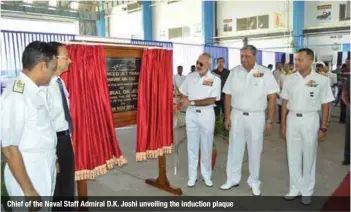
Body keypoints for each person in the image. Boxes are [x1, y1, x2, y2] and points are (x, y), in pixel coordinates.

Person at [1, 41, 58, 211]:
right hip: (28, 172)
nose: (53, 73)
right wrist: (29, 190)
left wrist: (52, 158)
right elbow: (9, 149)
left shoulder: (33, 89)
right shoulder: (16, 95)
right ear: (42, 66)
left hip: (41, 165)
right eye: (52, 69)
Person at [221, 45, 279, 196]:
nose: (243, 59)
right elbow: (227, 95)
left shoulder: (265, 73)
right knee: (234, 148)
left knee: (255, 150)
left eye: (247, 56)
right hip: (237, 115)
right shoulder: (234, 72)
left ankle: (254, 181)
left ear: (255, 56)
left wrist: (270, 120)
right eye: (241, 56)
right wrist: (227, 116)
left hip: (256, 116)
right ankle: (232, 179)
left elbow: (272, 96)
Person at [280, 48, 334, 205]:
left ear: (310, 61)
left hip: (310, 119)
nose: (296, 62)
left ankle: (307, 190)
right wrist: (282, 124)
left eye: (300, 60)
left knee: (309, 155)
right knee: (293, 155)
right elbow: (283, 103)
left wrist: (323, 127)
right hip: (292, 119)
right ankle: (294, 188)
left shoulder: (322, 80)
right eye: (296, 59)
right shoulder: (289, 79)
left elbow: (326, 105)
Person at [179, 53, 221, 187]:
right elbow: (183, 92)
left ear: (209, 64)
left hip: (206, 114)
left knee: (206, 146)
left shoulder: (215, 79)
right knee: (191, 146)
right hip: (191, 115)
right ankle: (192, 177)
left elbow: (211, 99)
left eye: (201, 64)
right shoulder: (190, 77)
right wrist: (183, 99)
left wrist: (190, 102)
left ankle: (206, 175)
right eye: (197, 62)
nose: (198, 66)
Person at [47, 42, 75, 208]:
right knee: (56, 191)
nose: (69, 61)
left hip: (64, 140)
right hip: (54, 143)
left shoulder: (59, 82)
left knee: (67, 188)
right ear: (54, 59)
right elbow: (46, 123)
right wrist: (54, 156)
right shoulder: (45, 86)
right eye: (66, 57)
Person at [341, 67, 350, 166]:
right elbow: (344, 95)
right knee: (348, 137)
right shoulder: (349, 80)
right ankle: (347, 158)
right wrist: (348, 105)